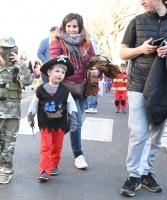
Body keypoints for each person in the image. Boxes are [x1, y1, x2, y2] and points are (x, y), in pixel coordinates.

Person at [119, 0, 167, 197]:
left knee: (156, 134)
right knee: (138, 132)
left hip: (165, 85)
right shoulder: (136, 22)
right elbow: (123, 52)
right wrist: (141, 49)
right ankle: (133, 175)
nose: (141, 1)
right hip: (138, 83)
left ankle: (145, 172)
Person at [50, 13, 100, 169]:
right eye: (69, 26)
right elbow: (53, 65)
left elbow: (94, 62)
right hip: (65, 88)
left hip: (82, 88)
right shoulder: (57, 42)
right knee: (76, 120)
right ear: (64, 27)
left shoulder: (87, 42)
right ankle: (78, 154)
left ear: (80, 27)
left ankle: (50, 140)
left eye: (75, 26)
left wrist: (96, 71)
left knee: (71, 122)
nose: (71, 30)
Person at [0, 36, 33, 184]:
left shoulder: (18, 68)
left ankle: (6, 171)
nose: (9, 52)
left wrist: (21, 63)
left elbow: (28, 81)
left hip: (12, 114)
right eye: (5, 49)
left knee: (7, 145)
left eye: (12, 49)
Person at [27, 55, 78, 182]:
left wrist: (73, 122)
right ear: (49, 72)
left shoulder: (65, 91)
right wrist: (30, 116)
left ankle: (54, 165)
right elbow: (34, 104)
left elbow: (72, 107)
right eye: (57, 71)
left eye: (63, 72)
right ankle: (44, 170)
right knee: (46, 147)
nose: (60, 74)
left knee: (57, 147)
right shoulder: (41, 89)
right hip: (45, 125)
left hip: (60, 125)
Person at [85, 37, 99, 114]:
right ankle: (89, 106)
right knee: (90, 87)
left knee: (89, 88)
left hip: (90, 67)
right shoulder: (94, 43)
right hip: (92, 67)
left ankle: (92, 106)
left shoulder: (89, 42)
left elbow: (92, 56)